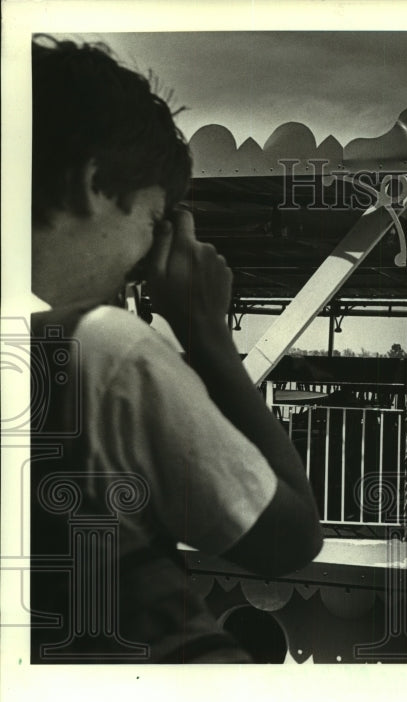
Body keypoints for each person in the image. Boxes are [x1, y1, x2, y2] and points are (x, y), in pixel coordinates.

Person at [29, 37, 323, 663]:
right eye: (154, 218)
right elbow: (290, 539)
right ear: (92, 186)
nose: (147, 258)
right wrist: (206, 332)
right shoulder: (104, 352)